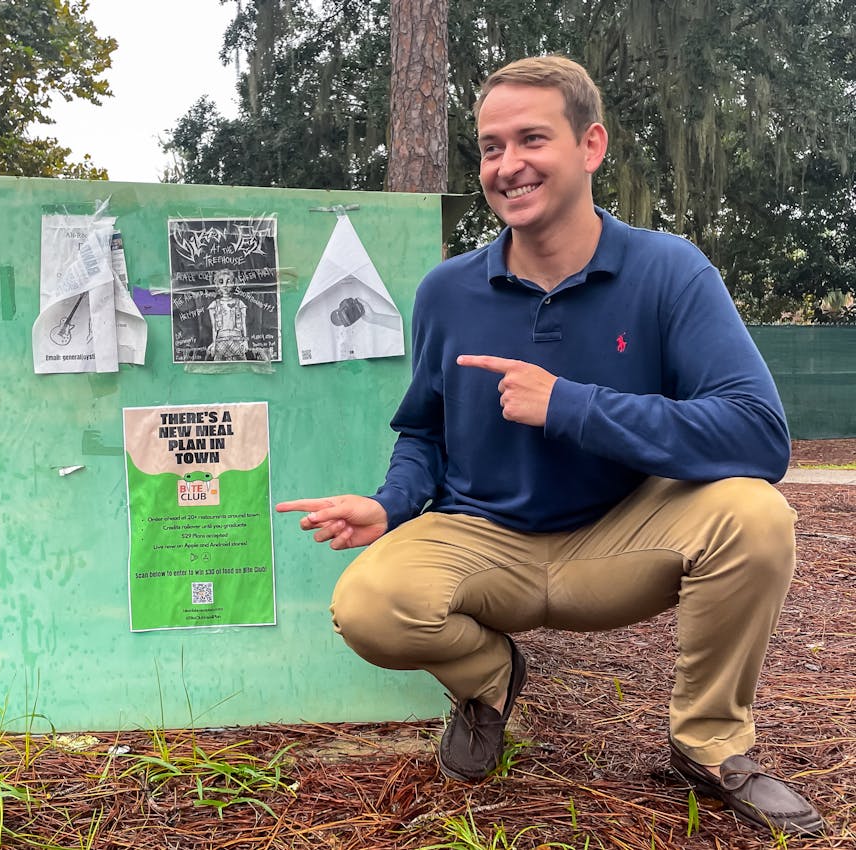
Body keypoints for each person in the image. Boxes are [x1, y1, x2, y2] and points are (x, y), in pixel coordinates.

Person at [277, 55, 825, 837]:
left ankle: (708, 745)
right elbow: (423, 430)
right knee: (369, 604)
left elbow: (758, 434)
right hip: (483, 539)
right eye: (491, 147)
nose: (508, 165)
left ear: (591, 145)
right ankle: (491, 682)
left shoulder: (669, 272)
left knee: (754, 513)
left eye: (532, 138)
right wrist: (390, 501)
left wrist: (569, 404)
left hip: (620, 537)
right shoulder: (448, 291)